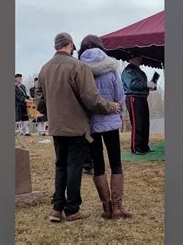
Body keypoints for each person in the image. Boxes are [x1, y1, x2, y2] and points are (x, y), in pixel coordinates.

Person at [34, 32, 121, 222]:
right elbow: (91, 99)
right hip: (76, 126)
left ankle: (57, 209)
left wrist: (52, 115)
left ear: (55, 46)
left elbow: (39, 100)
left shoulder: (44, 69)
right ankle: (72, 210)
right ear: (71, 45)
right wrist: (110, 106)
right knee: (74, 166)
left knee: (60, 165)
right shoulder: (78, 67)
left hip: (56, 126)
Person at [78, 34, 132, 219]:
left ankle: (106, 208)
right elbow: (120, 95)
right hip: (110, 121)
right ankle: (117, 207)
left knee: (98, 164)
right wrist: (118, 111)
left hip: (91, 124)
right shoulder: (111, 68)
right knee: (116, 162)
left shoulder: (80, 70)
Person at [121, 52, 157, 155]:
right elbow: (132, 85)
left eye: (140, 58)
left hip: (142, 97)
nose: (140, 60)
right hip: (133, 98)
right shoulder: (128, 71)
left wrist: (151, 85)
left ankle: (144, 146)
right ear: (132, 59)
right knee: (137, 123)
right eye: (138, 58)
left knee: (145, 122)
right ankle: (136, 147)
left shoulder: (140, 72)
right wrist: (146, 84)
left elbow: (143, 85)